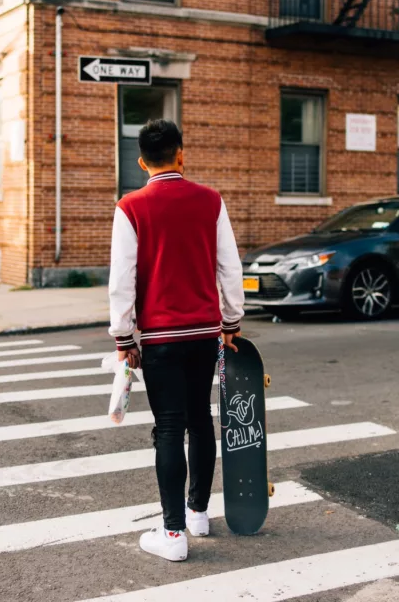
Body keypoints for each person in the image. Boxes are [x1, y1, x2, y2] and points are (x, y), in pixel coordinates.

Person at [108, 119, 244, 562]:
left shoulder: (131, 207)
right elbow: (230, 267)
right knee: (201, 420)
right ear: (181, 154)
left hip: (162, 338)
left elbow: (122, 281)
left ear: (142, 161)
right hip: (205, 333)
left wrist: (123, 336)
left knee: (168, 427)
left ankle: (172, 535)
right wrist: (230, 321)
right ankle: (198, 512)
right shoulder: (211, 201)